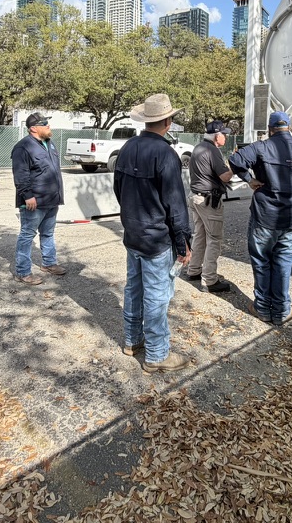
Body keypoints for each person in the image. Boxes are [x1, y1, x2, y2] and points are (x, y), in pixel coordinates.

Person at [228, 111, 292, 326]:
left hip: (265, 217)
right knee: (284, 263)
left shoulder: (261, 147)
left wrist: (249, 179)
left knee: (262, 261)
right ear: (289, 128)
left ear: (270, 129)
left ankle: (263, 308)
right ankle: (282, 310)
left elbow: (235, 160)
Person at [113, 93, 194, 373]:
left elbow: (118, 190)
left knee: (134, 289)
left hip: (133, 233)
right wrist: (183, 243)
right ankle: (157, 355)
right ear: (168, 121)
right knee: (157, 296)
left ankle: (132, 341)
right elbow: (175, 203)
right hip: (157, 239)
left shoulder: (126, 148)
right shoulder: (166, 154)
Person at [11, 112, 67, 285]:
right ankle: (23, 272)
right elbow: (21, 174)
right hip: (35, 201)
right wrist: (27, 196)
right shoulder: (23, 147)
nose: (49, 127)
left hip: (52, 199)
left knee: (48, 233)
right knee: (27, 235)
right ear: (34, 128)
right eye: (45, 124)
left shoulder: (50, 144)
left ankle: (49, 263)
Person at [183, 120, 235, 292]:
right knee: (214, 239)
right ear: (216, 135)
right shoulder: (212, 151)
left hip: (195, 197)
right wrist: (236, 164)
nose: (226, 137)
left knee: (200, 235)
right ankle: (210, 280)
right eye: (224, 134)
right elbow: (225, 177)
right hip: (208, 200)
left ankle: (194, 270)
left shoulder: (198, 147)